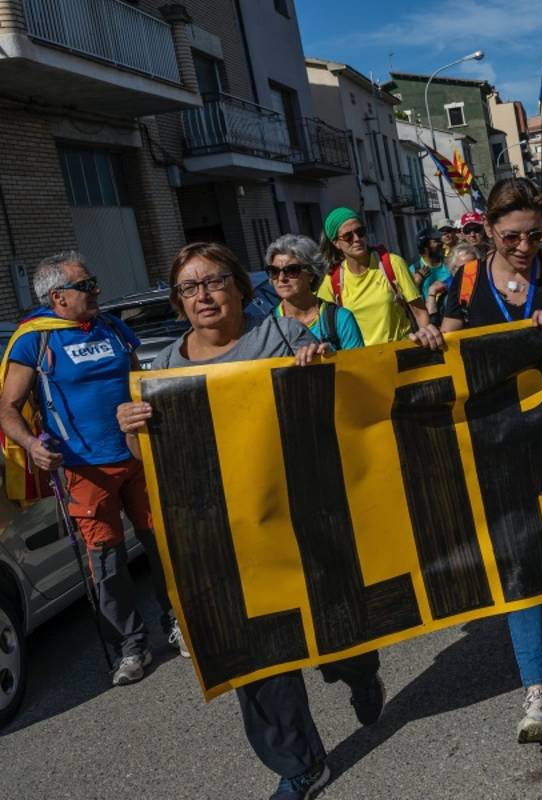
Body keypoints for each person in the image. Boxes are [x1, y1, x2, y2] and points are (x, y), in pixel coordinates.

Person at [116, 242, 384, 800]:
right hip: (225, 539)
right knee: (256, 656)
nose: (203, 295)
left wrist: (321, 367)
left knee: (338, 631)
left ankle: (359, 672)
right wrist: (132, 429)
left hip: (301, 520)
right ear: (179, 301)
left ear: (240, 287)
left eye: (214, 281)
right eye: (189, 288)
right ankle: (300, 763)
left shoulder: (283, 337)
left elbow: (339, 409)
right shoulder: (164, 370)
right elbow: (153, 463)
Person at [412, 178, 542, 745]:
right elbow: (448, 344)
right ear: (490, 230)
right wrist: (430, 337)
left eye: (534, 235)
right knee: (520, 556)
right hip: (501, 438)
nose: (524, 247)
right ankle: (536, 691)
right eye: (512, 236)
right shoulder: (469, 279)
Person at [0, 251, 181, 685]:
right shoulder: (35, 339)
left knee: (162, 546)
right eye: (85, 286)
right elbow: (8, 406)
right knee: (108, 563)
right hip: (85, 469)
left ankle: (178, 622)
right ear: (58, 297)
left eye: (93, 281)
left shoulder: (113, 328)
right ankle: (131, 647)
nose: (96, 290)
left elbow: (138, 385)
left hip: (138, 456)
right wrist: (32, 445)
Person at [316, 208, 429, 347]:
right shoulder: (332, 280)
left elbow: (420, 312)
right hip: (363, 358)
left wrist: (426, 345)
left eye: (360, 232)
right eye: (348, 236)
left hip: (402, 354)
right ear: (336, 243)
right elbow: (320, 326)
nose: (357, 239)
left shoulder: (392, 264)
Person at [266, 234, 363, 351]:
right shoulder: (267, 326)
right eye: (274, 271)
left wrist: (332, 356)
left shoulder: (341, 319)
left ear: (311, 273)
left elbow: (360, 362)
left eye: (291, 270)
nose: (281, 278)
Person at [409, 231, 453, 300]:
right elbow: (409, 297)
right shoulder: (414, 269)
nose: (441, 243)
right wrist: (417, 281)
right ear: (425, 246)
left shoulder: (450, 263)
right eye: (436, 241)